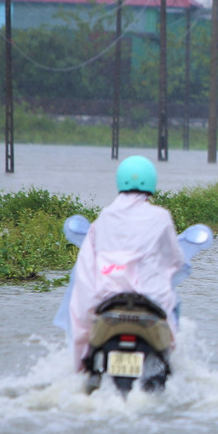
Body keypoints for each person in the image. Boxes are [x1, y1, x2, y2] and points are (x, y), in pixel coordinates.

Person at [65, 156, 185, 370]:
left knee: (83, 329)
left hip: (107, 302)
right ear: (152, 183)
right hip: (151, 302)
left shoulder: (103, 218)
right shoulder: (161, 217)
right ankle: (172, 365)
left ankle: (82, 369)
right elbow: (174, 258)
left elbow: (85, 274)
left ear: (119, 182)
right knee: (174, 309)